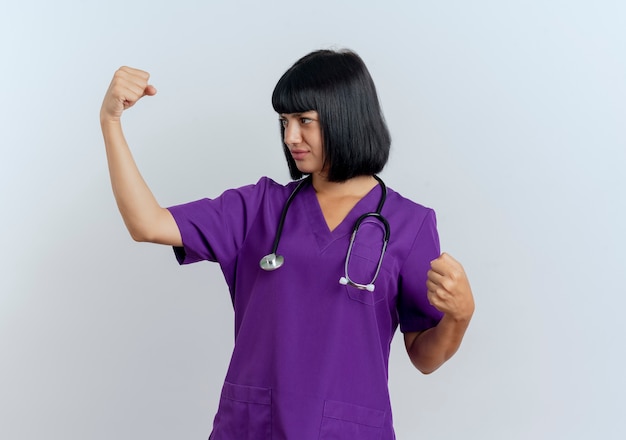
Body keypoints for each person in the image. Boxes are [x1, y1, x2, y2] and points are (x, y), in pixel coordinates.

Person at [100, 49, 475, 440]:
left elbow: (425, 357)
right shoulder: (258, 207)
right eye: (284, 122)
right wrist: (110, 122)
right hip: (253, 428)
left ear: (345, 115)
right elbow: (146, 223)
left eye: (304, 121)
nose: (289, 137)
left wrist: (459, 317)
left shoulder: (408, 225)